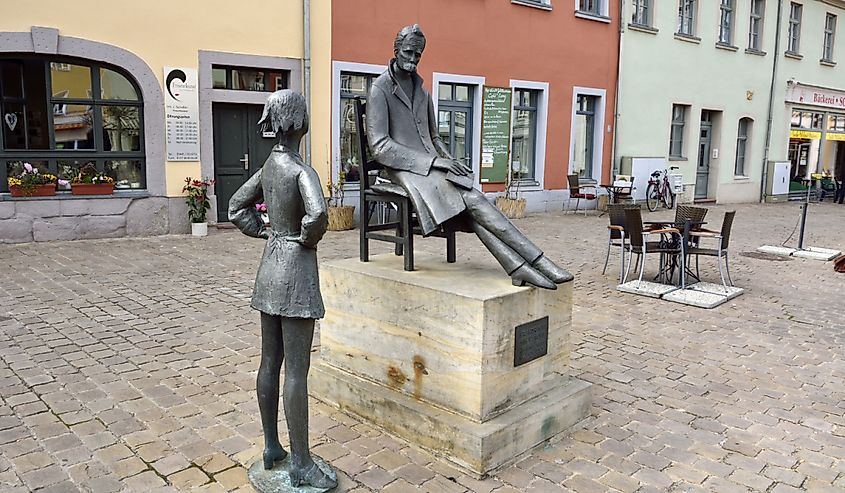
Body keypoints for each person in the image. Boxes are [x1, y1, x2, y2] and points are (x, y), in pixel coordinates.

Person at [367, 24, 572, 290]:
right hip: (403, 169)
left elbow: (435, 137)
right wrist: (435, 163)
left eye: (418, 54)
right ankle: (539, 261)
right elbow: (380, 146)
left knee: (472, 206)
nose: (413, 59)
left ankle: (519, 266)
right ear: (396, 51)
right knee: (472, 200)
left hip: (432, 169)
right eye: (408, 52)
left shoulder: (422, 90)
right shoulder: (379, 89)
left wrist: (450, 160)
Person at [228, 90, 337, 490]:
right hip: (295, 274)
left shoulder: (268, 168)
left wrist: (265, 232)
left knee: (268, 362)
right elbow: (319, 214)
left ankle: (273, 446)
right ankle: (301, 463)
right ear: (299, 122)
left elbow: (236, 208)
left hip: (269, 269)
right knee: (297, 370)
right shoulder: (300, 170)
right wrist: (304, 240)